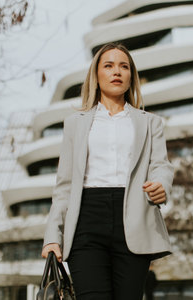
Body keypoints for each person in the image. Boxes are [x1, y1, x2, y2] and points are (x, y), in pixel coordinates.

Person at [41, 42, 174, 300]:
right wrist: (52, 236)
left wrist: (161, 185)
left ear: (131, 76)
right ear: (97, 75)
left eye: (124, 66)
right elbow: (64, 186)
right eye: (109, 66)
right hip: (86, 220)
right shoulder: (74, 124)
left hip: (135, 218)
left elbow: (161, 166)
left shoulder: (150, 123)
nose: (117, 72)